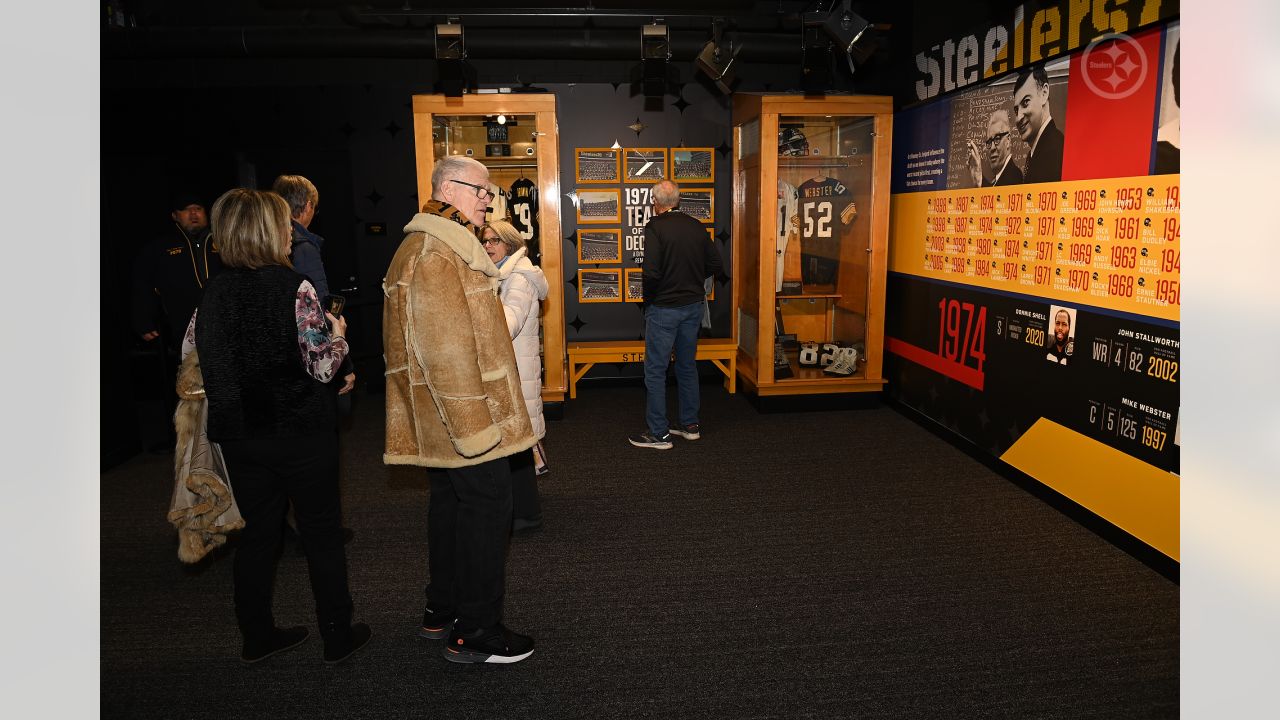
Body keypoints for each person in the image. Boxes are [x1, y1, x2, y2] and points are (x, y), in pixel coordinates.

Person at [184, 188, 371, 665]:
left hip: (239, 435)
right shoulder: (296, 288)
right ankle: (336, 634)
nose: (292, 232)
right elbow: (322, 366)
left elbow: (193, 361)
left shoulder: (211, 293)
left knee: (258, 536)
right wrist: (341, 338)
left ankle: (257, 635)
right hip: (301, 431)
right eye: (284, 225)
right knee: (322, 532)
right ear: (267, 231)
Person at [382, 155, 538, 664]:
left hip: (445, 417)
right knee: (489, 509)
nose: (489, 200)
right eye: (481, 191)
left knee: (450, 507)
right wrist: (475, 429)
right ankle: (475, 630)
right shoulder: (435, 252)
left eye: (490, 193)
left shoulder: (437, 244)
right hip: (466, 420)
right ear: (449, 189)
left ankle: (441, 610)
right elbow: (445, 352)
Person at [273, 175, 356, 549]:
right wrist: (345, 361)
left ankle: (286, 527)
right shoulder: (303, 246)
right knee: (317, 452)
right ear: (306, 207)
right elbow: (321, 313)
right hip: (310, 365)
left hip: (277, 368)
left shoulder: (259, 247)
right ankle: (319, 531)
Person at [629, 179, 725, 450]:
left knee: (656, 371)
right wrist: (693, 280)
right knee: (686, 366)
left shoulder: (655, 227)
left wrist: (650, 302)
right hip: (692, 307)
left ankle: (659, 434)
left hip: (664, 308)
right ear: (678, 201)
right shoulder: (696, 226)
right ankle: (690, 426)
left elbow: (651, 272)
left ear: (656, 203)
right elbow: (716, 264)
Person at [481, 219, 550, 536]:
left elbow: (507, 326)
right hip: (512, 371)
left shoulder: (518, 279)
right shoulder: (503, 275)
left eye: (494, 240)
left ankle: (526, 515)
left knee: (518, 444)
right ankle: (523, 511)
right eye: (484, 241)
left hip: (516, 372)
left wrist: (481, 298)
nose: (488, 246)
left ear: (509, 244)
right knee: (516, 444)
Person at [131, 193, 223, 347]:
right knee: (190, 370)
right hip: (183, 331)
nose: (193, 213)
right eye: (186, 209)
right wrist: (143, 319)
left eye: (198, 208)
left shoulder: (224, 241)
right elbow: (143, 284)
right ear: (175, 216)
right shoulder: (160, 248)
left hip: (225, 324)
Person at [1011, 64, 1064, 184]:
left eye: (1025, 103)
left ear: (1044, 93)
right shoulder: (1038, 151)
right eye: (1016, 110)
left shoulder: (1054, 151)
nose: (1018, 118)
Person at [966, 108, 1024, 187]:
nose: (992, 148)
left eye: (997, 139)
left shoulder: (1014, 176)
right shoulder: (1000, 178)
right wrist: (979, 180)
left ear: (1008, 140)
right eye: (989, 142)